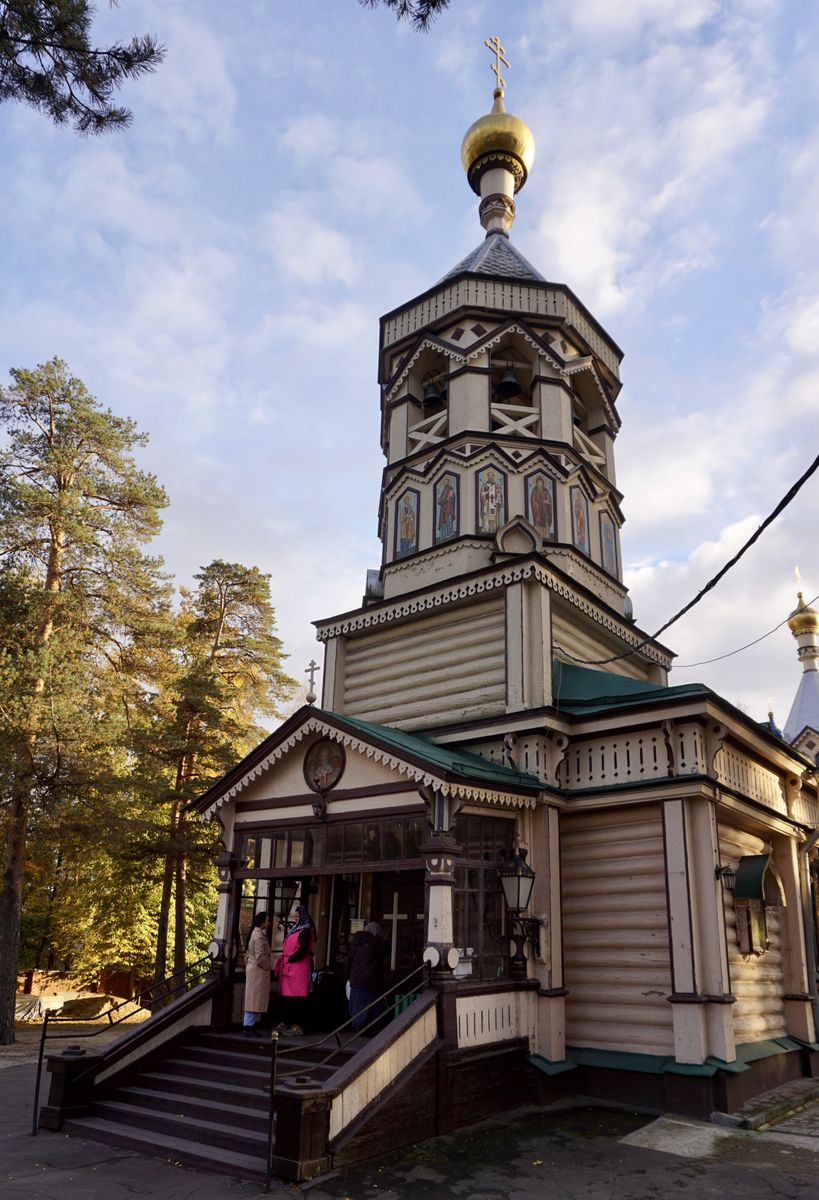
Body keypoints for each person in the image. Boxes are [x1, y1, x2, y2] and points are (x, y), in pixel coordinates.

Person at [274, 905, 316, 1036]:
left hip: (298, 969)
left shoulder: (306, 931)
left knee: (297, 998)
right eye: (294, 917)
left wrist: (291, 958)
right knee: (287, 997)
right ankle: (286, 1022)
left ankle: (297, 1026)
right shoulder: (295, 930)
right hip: (289, 968)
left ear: (303, 917)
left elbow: (303, 950)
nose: (295, 919)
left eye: (297, 916)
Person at [347, 921, 389, 1033]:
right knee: (371, 1004)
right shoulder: (375, 943)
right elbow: (385, 951)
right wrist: (384, 938)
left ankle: (357, 1025)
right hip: (371, 980)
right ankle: (368, 1027)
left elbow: (349, 961)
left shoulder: (356, 942)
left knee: (356, 1003)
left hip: (355, 979)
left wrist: (347, 976)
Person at [242, 911, 271, 1037]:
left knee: (253, 997)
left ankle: (249, 1025)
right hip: (258, 971)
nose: (269, 923)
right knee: (255, 998)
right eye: (268, 920)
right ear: (262, 922)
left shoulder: (255, 934)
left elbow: (249, 954)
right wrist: (267, 967)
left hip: (253, 969)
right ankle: (249, 1027)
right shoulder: (259, 936)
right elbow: (260, 956)